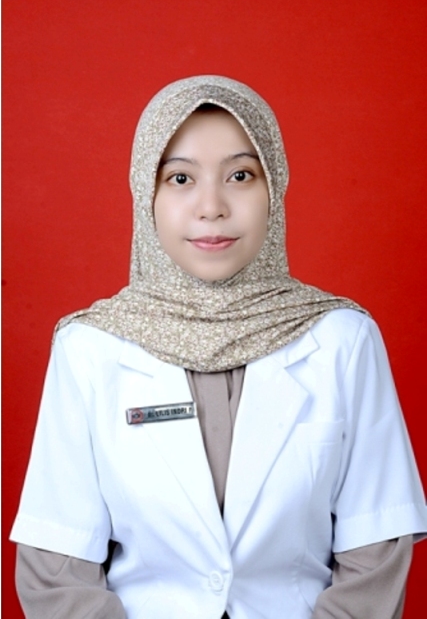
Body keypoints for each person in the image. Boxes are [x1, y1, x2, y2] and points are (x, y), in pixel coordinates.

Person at [11, 75, 427, 618]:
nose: (211, 206)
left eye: (240, 175)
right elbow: (57, 567)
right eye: (180, 177)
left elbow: (375, 550)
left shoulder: (342, 338)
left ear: (274, 188)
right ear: (146, 194)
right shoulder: (89, 347)